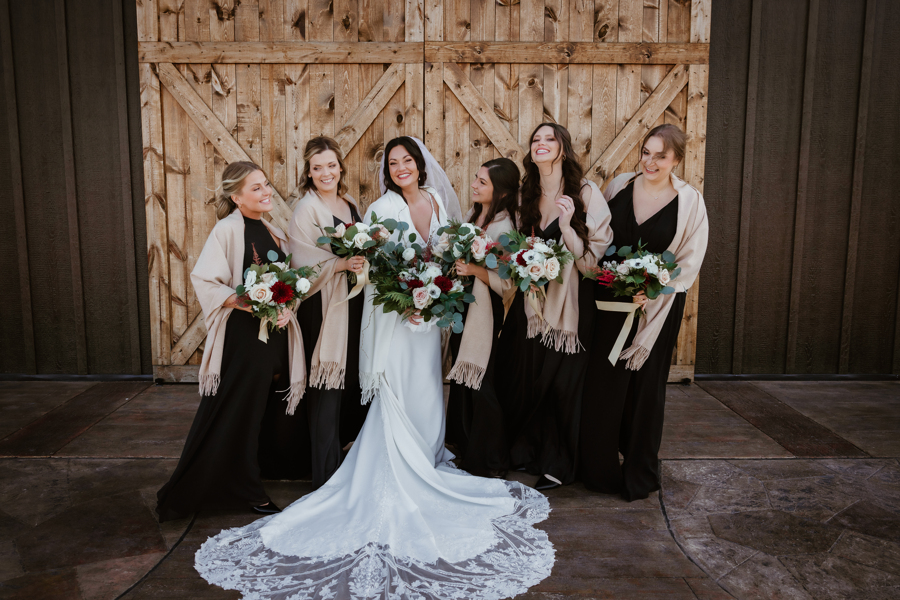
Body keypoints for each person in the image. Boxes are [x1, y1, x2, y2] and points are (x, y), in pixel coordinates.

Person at [194, 137, 554, 600]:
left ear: (421, 165)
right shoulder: (381, 206)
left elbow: (443, 256)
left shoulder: (438, 202)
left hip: (429, 313)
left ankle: (425, 456)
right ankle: (392, 463)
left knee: (427, 386)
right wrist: (408, 300)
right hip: (397, 314)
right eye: (393, 162)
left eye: (408, 160)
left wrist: (435, 294)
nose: (401, 167)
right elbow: (381, 266)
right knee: (398, 384)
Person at [156, 161, 306, 522]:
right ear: (237, 197)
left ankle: (254, 473)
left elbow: (284, 283)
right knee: (233, 413)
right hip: (244, 340)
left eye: (266, 184)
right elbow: (206, 280)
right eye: (255, 188)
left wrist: (285, 307)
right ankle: (236, 490)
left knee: (255, 413)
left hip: (271, 336)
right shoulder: (227, 230)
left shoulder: (272, 230)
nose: (266, 191)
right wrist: (246, 301)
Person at [580, 124, 708, 500]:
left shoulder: (689, 202)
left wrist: (652, 289)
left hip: (658, 306)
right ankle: (598, 468)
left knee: (645, 389)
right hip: (609, 302)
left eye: (661, 156)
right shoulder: (619, 186)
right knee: (603, 385)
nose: (650, 162)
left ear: (677, 160)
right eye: (646, 152)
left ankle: (639, 470)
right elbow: (598, 237)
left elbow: (689, 260)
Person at [506, 123, 613, 491]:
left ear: (563, 149)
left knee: (564, 385)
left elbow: (592, 264)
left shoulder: (585, 193)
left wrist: (567, 226)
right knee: (531, 379)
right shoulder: (526, 193)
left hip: (573, 307)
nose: (541, 144)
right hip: (534, 304)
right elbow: (518, 247)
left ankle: (560, 463)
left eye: (549, 139)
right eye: (536, 139)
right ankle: (529, 452)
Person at [286, 136, 367, 490]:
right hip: (322, 308)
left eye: (331, 165)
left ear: (340, 167)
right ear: (308, 171)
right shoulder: (306, 209)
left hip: (352, 301)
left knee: (347, 384)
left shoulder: (349, 203)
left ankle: (344, 460)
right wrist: (341, 264)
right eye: (317, 167)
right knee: (326, 386)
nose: (325, 172)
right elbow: (301, 263)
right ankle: (325, 476)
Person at [446, 157, 519, 477]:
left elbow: (509, 281)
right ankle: (466, 446)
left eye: (482, 182)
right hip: (466, 305)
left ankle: (490, 460)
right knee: (465, 381)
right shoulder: (476, 215)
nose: (474, 185)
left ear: (501, 192)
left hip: (487, 314)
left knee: (483, 383)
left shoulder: (505, 226)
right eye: (475, 179)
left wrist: (475, 269)